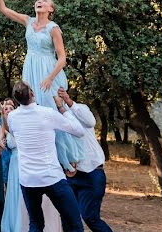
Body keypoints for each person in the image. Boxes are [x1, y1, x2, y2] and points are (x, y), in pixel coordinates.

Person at [0, 0, 83, 174]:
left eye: (45, 1)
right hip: (31, 69)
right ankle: (39, 155)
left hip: (48, 73)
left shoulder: (53, 28)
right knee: (32, 110)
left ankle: (66, 158)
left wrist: (50, 78)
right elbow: (2, 9)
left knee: (52, 110)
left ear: (51, 9)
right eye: (38, 0)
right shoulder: (27, 20)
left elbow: (62, 58)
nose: (39, 2)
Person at [0, 81, 86, 232]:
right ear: (32, 93)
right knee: (74, 221)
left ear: (16, 100)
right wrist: (62, 109)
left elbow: (9, 129)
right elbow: (79, 131)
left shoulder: (12, 117)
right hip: (52, 177)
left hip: (28, 180)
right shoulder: (47, 113)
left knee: (36, 223)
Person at [56, 88, 113, 232]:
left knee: (90, 217)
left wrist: (66, 104)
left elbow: (90, 122)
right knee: (68, 217)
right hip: (71, 175)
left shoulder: (80, 109)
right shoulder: (53, 118)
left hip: (92, 172)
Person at [0, 99, 28, 232]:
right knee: (14, 192)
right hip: (14, 163)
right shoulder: (4, 128)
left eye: (10, 108)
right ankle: (15, 224)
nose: (8, 110)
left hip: (25, 160)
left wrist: (4, 115)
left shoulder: (22, 123)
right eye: (6, 109)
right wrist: (1, 143)